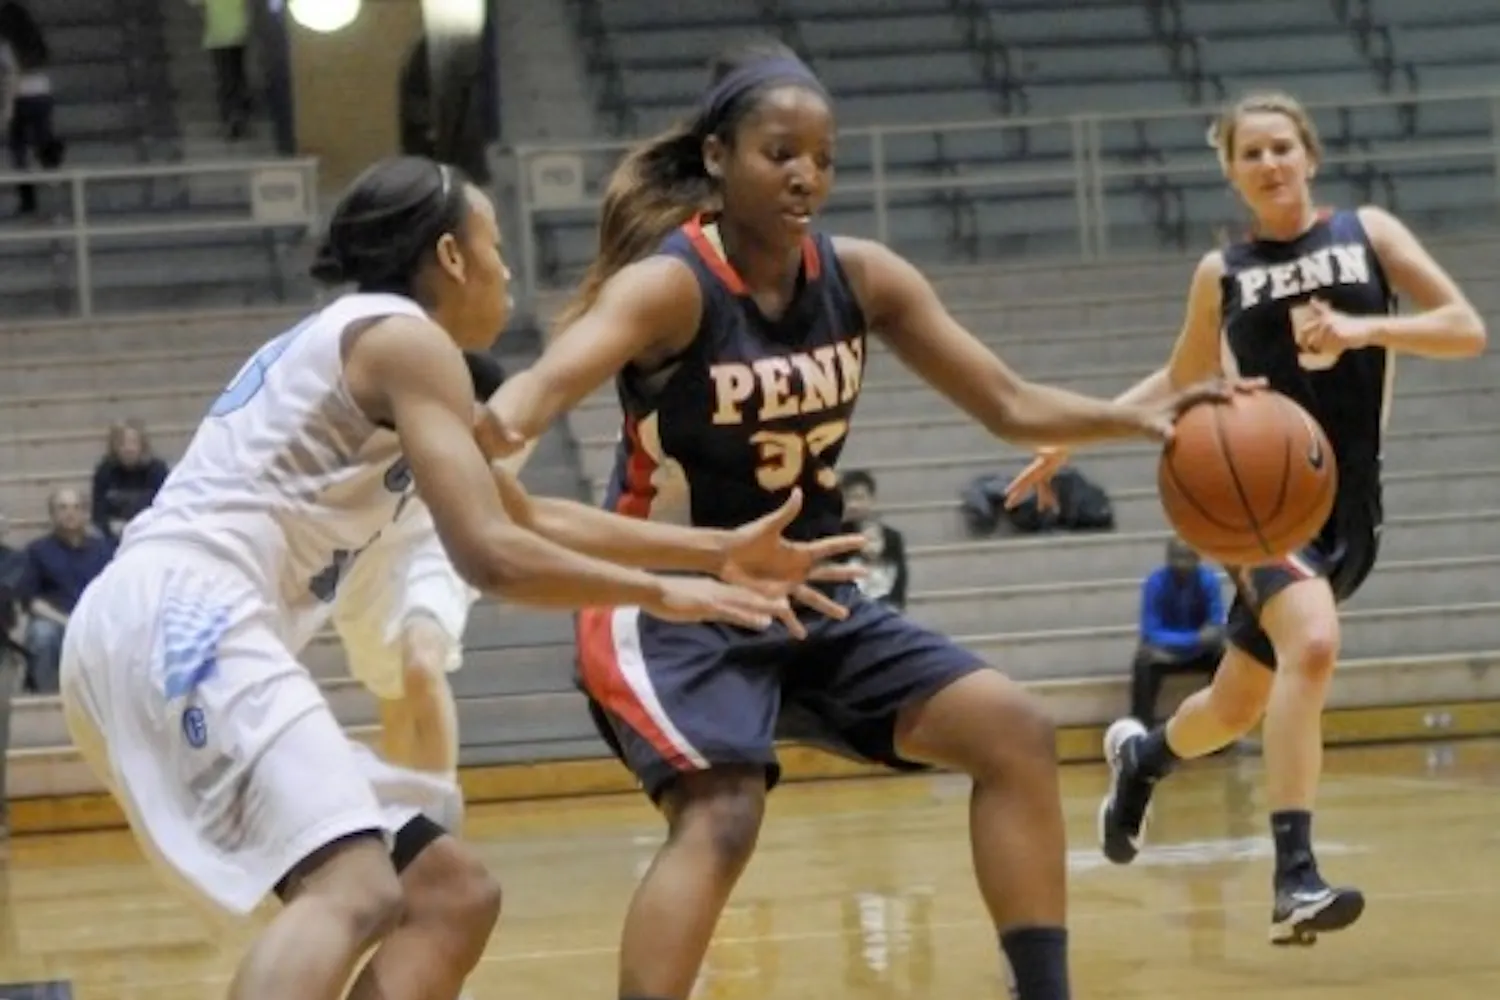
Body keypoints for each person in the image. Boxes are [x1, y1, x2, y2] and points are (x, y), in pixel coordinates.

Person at [483, 41, 1227, 1000]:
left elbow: (1007, 402)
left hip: (809, 595)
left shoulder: (864, 276)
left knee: (1013, 731)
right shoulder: (670, 286)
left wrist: (1140, 417)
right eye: (780, 154)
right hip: (673, 605)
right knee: (723, 812)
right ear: (717, 157)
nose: (806, 175)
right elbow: (538, 392)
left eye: (823, 159)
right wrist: (487, 430)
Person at [57, 155, 866, 1000]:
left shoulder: (385, 357)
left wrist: (713, 549)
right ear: (450, 256)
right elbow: (491, 555)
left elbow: (529, 516)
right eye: (495, 245)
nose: (507, 269)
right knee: (356, 890)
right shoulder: (405, 340)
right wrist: (665, 592)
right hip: (184, 616)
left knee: (450, 896)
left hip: (156, 628)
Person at [1005, 91, 1486, 946]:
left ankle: (1142, 758)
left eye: (1281, 147)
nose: (1268, 163)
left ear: (1310, 155)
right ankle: (1295, 875)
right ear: (1230, 172)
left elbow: (1464, 328)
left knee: (1233, 707)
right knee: (1316, 645)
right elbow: (1181, 377)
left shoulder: (1368, 233)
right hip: (1260, 509)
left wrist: (1362, 329)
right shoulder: (1221, 272)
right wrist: (1075, 436)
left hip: (1350, 506)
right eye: (1250, 153)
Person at [330, 351, 517, 781]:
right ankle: (405, 815)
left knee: (421, 662)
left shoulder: (489, 423)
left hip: (438, 540)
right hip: (367, 559)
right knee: (394, 697)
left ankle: (441, 808)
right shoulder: (374, 413)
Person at [1131, 538, 1225, 728]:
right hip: (1166, 652)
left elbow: (1216, 625)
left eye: (1187, 566)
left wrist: (1199, 639)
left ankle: (1223, 722)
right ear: (1168, 561)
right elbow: (1151, 631)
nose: (1182, 572)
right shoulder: (1155, 582)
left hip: (1198, 651)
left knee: (1225, 657)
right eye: (1177, 567)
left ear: (1197, 560)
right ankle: (1141, 726)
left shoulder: (1209, 581)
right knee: (1143, 661)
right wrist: (1195, 639)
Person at [839, 469, 908, 611]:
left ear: (872, 499)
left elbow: (899, 580)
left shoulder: (891, 538)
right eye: (848, 498)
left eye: (859, 498)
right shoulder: (836, 537)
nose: (853, 505)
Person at [92, 419, 171, 542]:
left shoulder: (157, 470)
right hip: (115, 536)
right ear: (114, 447)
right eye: (122, 443)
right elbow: (98, 514)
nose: (128, 449)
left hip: (151, 532)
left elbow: (165, 507)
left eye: (133, 443)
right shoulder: (104, 471)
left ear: (142, 445)